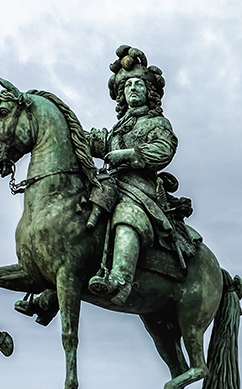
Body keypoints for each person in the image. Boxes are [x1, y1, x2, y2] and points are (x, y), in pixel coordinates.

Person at [85, 46, 183, 305]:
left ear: (149, 92)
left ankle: (121, 277)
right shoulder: (120, 127)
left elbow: (163, 150)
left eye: (138, 84)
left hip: (141, 190)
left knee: (127, 214)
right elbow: (99, 142)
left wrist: (126, 155)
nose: (132, 89)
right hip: (112, 185)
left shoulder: (157, 124)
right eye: (128, 86)